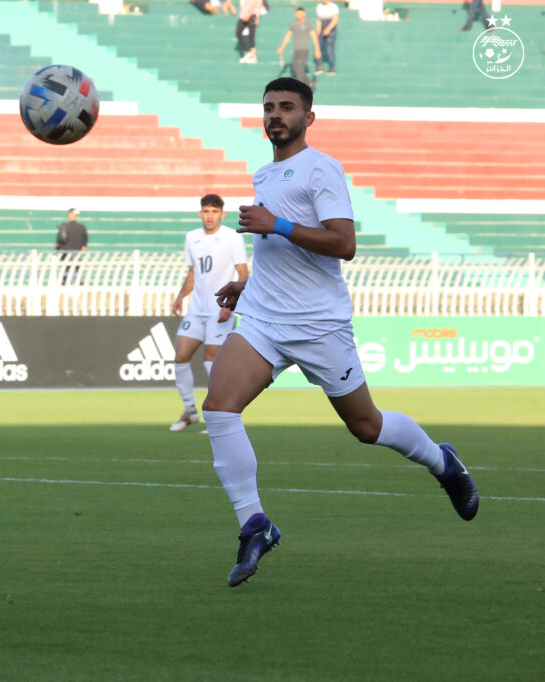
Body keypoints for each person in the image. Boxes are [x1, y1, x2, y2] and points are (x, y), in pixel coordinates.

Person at [203, 78, 479, 588]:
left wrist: (276, 224)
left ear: (309, 117)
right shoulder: (266, 172)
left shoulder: (323, 169)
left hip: (318, 324)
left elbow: (343, 243)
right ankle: (254, 524)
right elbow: (278, 250)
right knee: (219, 408)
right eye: (268, 108)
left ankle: (443, 462)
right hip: (264, 318)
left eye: (287, 107)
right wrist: (247, 287)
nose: (275, 115)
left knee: (366, 427)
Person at [169, 194, 249, 433]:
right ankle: (190, 412)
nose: (210, 215)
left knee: (210, 361)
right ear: (200, 213)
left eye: (214, 211)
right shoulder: (191, 237)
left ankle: (219, 415)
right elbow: (193, 273)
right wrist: (181, 296)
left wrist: (229, 305)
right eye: (206, 211)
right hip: (196, 310)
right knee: (181, 357)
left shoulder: (232, 237)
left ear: (222, 214)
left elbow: (243, 274)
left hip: (220, 310)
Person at [276, 7, 322, 87]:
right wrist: (282, 47)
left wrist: (317, 50)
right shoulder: (293, 24)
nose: (299, 15)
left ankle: (300, 88)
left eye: (301, 13)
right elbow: (288, 35)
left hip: (304, 49)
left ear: (304, 14)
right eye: (298, 13)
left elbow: (314, 36)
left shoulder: (308, 24)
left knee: (300, 68)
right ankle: (310, 82)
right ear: (295, 14)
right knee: (294, 67)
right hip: (296, 49)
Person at [55, 208, 88, 285]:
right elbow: (84, 245)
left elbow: (59, 241)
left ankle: (66, 281)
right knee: (75, 270)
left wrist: (58, 248)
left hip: (66, 253)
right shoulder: (82, 227)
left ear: (68, 215)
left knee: (66, 270)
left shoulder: (64, 227)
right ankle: (76, 282)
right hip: (77, 254)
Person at [314, 0, 339, 75]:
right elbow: (319, 20)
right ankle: (320, 67)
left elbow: (335, 19)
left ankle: (332, 68)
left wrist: (328, 29)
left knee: (329, 50)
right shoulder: (319, 7)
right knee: (318, 48)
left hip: (331, 32)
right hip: (321, 31)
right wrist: (318, 32)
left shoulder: (333, 6)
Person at [236, 0, 264, 64]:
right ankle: (249, 54)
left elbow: (256, 3)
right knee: (240, 33)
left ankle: (252, 56)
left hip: (250, 15)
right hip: (245, 15)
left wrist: (250, 15)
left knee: (251, 36)